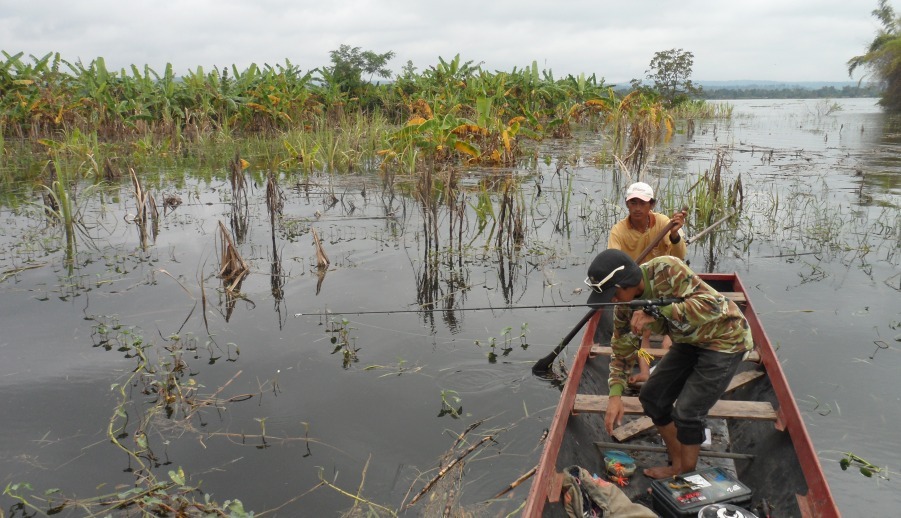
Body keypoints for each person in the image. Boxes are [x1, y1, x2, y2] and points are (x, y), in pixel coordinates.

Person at [584, 249, 753, 479]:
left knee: (688, 412)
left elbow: (712, 306)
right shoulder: (624, 307)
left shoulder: (666, 268)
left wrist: (657, 312)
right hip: (689, 341)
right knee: (652, 397)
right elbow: (622, 350)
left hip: (724, 339)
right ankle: (677, 464)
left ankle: (686, 478)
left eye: (613, 294)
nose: (613, 301)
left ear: (628, 283)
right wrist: (615, 395)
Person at [602, 181, 687, 383]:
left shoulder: (664, 222)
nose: (637, 208)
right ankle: (646, 371)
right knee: (644, 334)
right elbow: (612, 262)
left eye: (642, 203)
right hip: (638, 288)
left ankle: (669, 367)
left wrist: (674, 235)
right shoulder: (618, 231)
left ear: (651, 205)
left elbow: (680, 256)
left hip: (666, 283)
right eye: (633, 203)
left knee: (672, 336)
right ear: (627, 205)